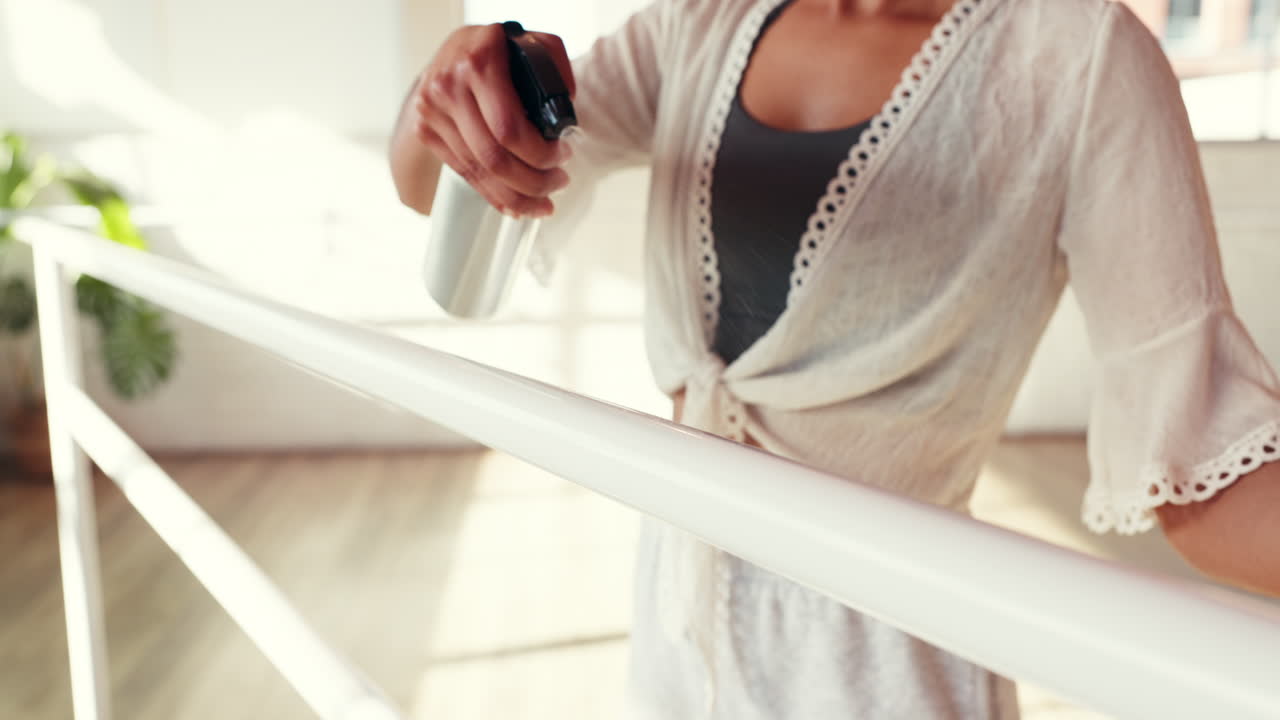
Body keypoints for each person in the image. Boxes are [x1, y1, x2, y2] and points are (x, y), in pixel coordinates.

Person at [389, 0, 1280, 717]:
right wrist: (451, 91)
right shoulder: (701, 22)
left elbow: (1205, 470)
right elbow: (434, 186)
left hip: (885, 655)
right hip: (679, 613)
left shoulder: (1079, 58)